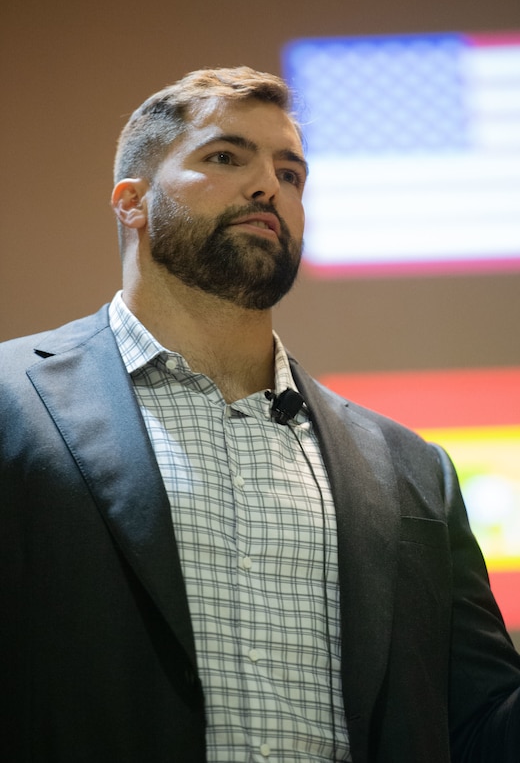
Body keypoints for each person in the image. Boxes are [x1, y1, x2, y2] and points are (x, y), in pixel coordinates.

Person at [1, 66, 519, 763]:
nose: (268, 186)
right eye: (225, 157)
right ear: (131, 203)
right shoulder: (12, 404)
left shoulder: (411, 470)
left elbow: (480, 728)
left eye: (291, 173)